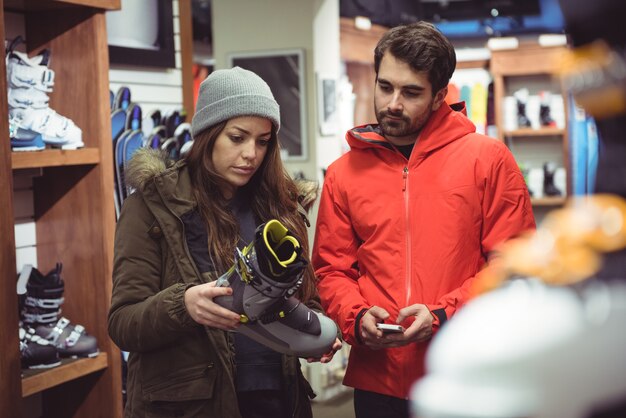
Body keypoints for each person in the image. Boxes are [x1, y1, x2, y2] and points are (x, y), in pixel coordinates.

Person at [312, 21, 536, 418]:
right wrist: (356, 316)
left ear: (438, 97)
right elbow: (331, 270)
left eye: (411, 92)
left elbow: (514, 265)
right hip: (377, 381)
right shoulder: (344, 173)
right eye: (385, 87)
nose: (392, 103)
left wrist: (444, 315)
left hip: (467, 373)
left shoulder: (488, 160)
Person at [108, 66, 340, 418]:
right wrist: (183, 305)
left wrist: (315, 338)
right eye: (237, 137)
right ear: (208, 133)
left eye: (263, 141)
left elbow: (305, 299)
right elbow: (123, 323)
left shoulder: (282, 207)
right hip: (190, 407)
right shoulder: (153, 206)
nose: (251, 153)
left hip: (278, 401)